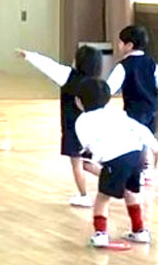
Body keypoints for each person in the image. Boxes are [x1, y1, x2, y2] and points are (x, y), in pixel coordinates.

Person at [74, 78, 158, 247]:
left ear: (79, 101)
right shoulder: (117, 113)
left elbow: (90, 146)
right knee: (131, 192)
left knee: (103, 197)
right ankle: (139, 231)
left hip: (115, 159)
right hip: (135, 155)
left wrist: (94, 163)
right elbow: (140, 129)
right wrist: (155, 147)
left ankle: (100, 234)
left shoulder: (82, 121)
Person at [17, 45, 103, 207]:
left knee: (77, 163)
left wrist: (29, 55)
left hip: (73, 128)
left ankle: (84, 195)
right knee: (86, 163)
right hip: (91, 130)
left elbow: (47, 65)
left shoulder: (68, 75)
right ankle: (119, 181)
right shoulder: (98, 83)